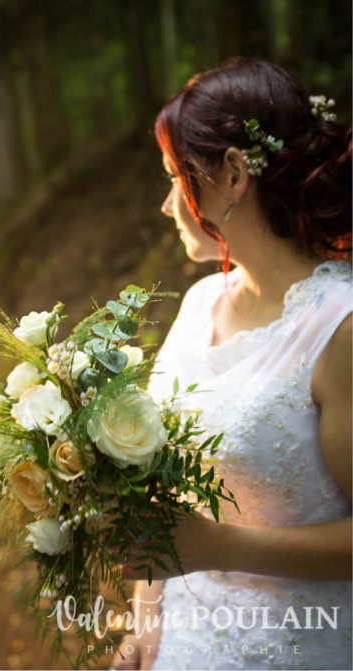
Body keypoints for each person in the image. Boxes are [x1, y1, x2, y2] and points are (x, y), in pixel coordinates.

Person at [111, 58, 351, 670]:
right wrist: (143, 621)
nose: (168, 205)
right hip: (186, 642)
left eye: (175, 178)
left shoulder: (338, 327)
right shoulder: (198, 305)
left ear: (235, 173)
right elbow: (161, 494)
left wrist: (220, 545)